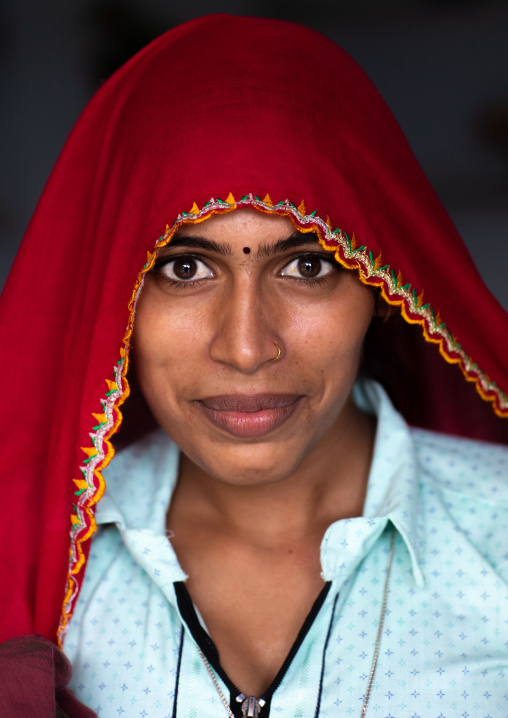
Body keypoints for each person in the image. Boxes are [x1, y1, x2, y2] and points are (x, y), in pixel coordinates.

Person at [0, 14, 507, 718]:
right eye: (183, 268)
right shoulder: (31, 566)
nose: (246, 347)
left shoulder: (498, 534)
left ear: (385, 285)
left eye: (306, 265)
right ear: (115, 295)